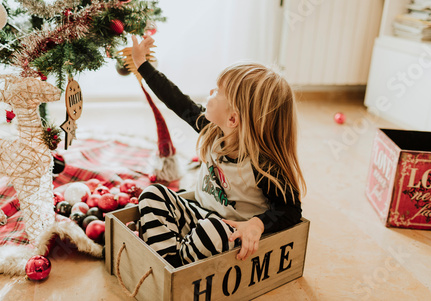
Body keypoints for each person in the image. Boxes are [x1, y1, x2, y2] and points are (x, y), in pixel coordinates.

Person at [131, 35, 306, 268]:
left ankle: (177, 266)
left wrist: (256, 225)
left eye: (218, 91)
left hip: (228, 233)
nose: (211, 91)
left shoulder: (262, 164)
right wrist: (143, 65)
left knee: (210, 231)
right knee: (152, 194)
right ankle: (171, 263)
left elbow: (291, 210)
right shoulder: (212, 131)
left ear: (233, 118)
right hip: (197, 213)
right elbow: (177, 101)